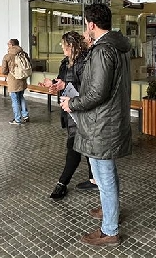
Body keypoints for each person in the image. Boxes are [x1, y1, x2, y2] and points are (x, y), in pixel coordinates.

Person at [60, 3, 132, 247]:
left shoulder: (103, 50)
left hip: (103, 122)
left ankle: (109, 230)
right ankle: (109, 210)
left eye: (85, 25)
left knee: (105, 174)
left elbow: (97, 93)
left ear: (91, 24)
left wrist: (73, 103)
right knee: (105, 172)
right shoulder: (116, 47)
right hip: (108, 119)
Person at [40, 31, 96, 200]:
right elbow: (61, 81)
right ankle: (94, 179)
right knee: (85, 146)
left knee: (73, 146)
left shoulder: (85, 62)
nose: (62, 47)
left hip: (83, 111)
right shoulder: (65, 63)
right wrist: (54, 86)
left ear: (71, 46)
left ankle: (62, 183)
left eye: (64, 44)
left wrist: (66, 84)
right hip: (70, 110)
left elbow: (90, 89)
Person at [1, 39, 30, 125]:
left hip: (13, 81)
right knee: (21, 97)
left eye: (8, 44)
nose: (7, 45)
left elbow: (3, 70)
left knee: (15, 99)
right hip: (23, 80)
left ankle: (17, 119)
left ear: (12, 45)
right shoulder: (24, 54)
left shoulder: (7, 56)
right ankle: (25, 115)